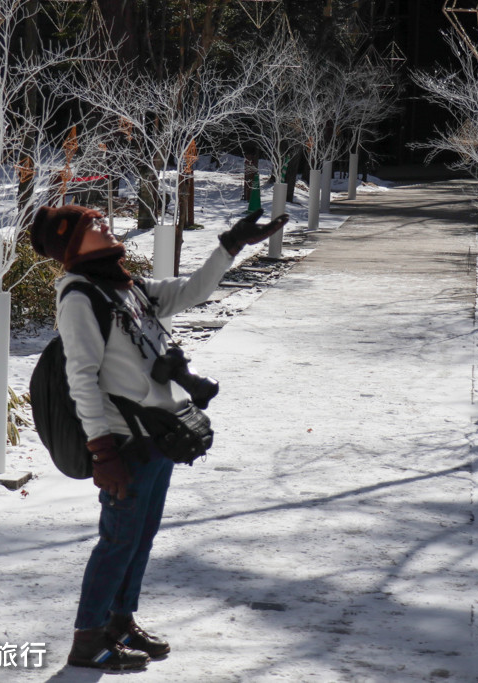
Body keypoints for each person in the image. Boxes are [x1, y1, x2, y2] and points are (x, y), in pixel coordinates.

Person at [29, 203, 288, 671]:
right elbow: (81, 379)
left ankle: (120, 621)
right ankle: (87, 641)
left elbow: (193, 291)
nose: (104, 224)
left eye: (101, 219)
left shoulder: (125, 287)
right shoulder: (79, 298)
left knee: (140, 538)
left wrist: (230, 246)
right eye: (92, 224)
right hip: (125, 444)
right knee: (117, 540)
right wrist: (101, 450)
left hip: (158, 438)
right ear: (70, 243)